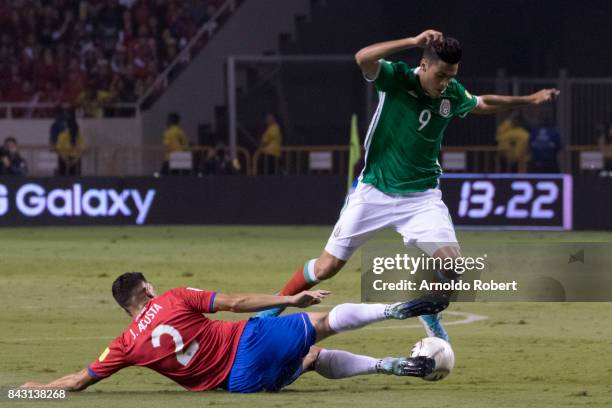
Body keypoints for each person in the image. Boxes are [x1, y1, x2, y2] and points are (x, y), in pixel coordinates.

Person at [256, 30, 560, 343]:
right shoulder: (397, 79)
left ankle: (428, 310)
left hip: (422, 198)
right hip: (375, 191)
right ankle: (276, 304)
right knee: (326, 268)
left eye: (451, 76)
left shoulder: (451, 93)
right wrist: (413, 41)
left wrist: (529, 99)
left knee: (453, 267)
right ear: (424, 65)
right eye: (441, 75)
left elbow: (481, 103)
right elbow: (362, 57)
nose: (444, 83)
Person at [19, 272, 447, 393]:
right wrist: (292, 300)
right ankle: (396, 309)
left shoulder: (125, 345)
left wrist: (31, 391)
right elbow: (235, 304)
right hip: (245, 341)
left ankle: (392, 366)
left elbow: (76, 383)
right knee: (321, 323)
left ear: (124, 309)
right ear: (147, 289)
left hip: (238, 383)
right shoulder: (174, 296)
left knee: (310, 360)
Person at [56, 110, 85, 176]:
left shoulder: (77, 136)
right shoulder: (63, 135)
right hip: (69, 160)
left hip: (69, 160)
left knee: (65, 180)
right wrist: (73, 160)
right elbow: (59, 149)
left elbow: (59, 149)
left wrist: (71, 161)